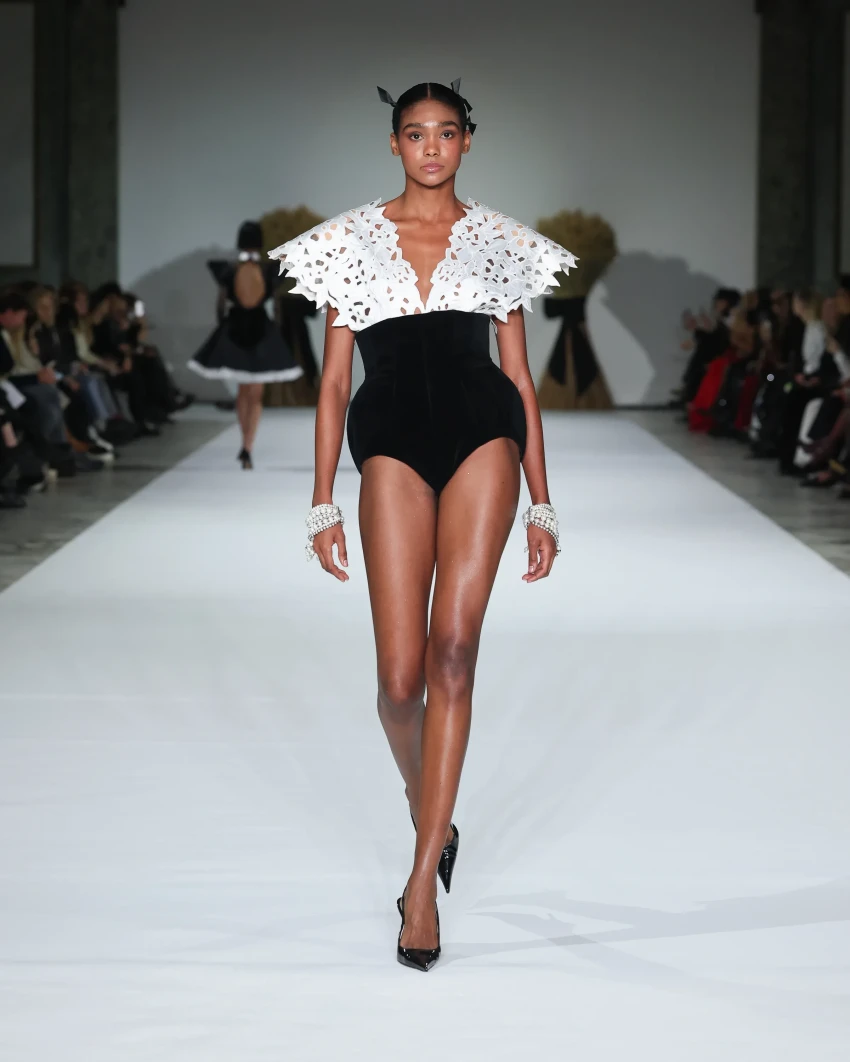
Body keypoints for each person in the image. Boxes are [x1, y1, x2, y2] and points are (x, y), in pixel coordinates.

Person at [268, 80, 574, 972]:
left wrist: (542, 500)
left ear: (468, 142)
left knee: (454, 656)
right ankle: (426, 802)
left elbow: (519, 379)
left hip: (484, 436)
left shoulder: (501, 241)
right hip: (391, 442)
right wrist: (321, 498)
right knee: (400, 684)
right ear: (394, 144)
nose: (431, 147)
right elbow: (333, 382)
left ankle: (420, 889)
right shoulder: (348, 242)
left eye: (446, 132)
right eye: (415, 133)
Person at [189, 221, 303, 468]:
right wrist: (276, 332)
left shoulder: (229, 270)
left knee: (243, 390)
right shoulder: (268, 270)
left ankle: (244, 442)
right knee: (256, 394)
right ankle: (248, 445)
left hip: (236, 328)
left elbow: (220, 304)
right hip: (261, 329)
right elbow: (276, 305)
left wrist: (223, 326)